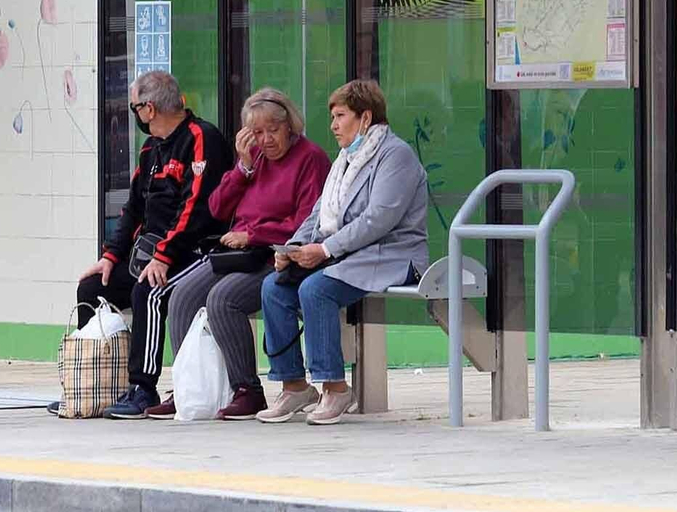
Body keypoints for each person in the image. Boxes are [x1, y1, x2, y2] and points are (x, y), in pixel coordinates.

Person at [48, 70, 231, 419]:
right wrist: (110, 257)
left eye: (133, 109)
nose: (135, 116)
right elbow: (132, 209)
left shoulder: (200, 138)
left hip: (193, 252)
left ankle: (143, 387)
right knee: (92, 288)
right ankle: (94, 384)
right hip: (150, 254)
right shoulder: (151, 149)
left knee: (148, 291)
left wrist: (163, 255)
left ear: (148, 109)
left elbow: (196, 208)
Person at [152, 87, 330, 420]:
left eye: (273, 131)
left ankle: (247, 390)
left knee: (223, 299)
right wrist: (243, 168)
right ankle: (188, 387)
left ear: (290, 125)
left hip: (273, 255)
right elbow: (218, 208)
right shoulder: (255, 159)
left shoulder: (310, 158)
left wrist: (254, 234)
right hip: (236, 253)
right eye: (258, 133)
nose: (266, 140)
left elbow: (308, 222)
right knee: (181, 296)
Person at [257, 79, 427, 427]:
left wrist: (325, 249)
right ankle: (294, 386)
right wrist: (292, 248)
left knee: (315, 289)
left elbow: (379, 218)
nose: (333, 125)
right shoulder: (347, 158)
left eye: (340, 116)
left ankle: (334, 387)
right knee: (274, 288)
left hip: (393, 254)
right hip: (350, 255)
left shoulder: (396, 155)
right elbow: (320, 212)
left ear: (365, 118)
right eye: (332, 117)